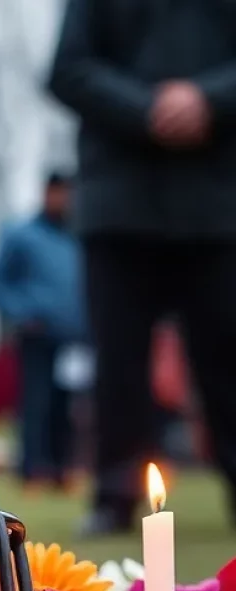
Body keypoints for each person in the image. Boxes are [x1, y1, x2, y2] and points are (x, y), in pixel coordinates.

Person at [49, 0, 236, 535]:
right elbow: (68, 69)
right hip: (119, 205)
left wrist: (209, 99)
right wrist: (146, 107)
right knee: (118, 364)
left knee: (229, 357)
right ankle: (114, 494)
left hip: (219, 206)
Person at [0, 173, 86, 488]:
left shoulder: (77, 236)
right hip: (36, 335)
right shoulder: (21, 235)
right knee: (35, 404)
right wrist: (22, 314)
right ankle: (33, 470)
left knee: (67, 406)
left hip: (73, 338)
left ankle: (62, 470)